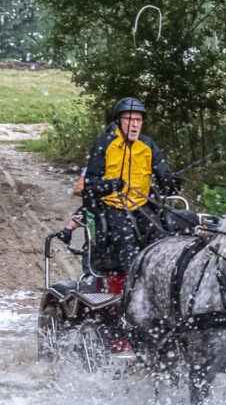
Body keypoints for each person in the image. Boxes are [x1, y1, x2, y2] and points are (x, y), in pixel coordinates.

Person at [58, 97, 180, 293]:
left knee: (163, 239)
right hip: (111, 208)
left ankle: (164, 288)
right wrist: (110, 185)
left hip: (142, 207)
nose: (134, 125)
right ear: (119, 121)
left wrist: (171, 183)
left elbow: (165, 178)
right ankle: (134, 294)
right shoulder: (105, 144)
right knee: (127, 243)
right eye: (129, 120)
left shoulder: (148, 145)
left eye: (138, 120)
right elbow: (88, 186)